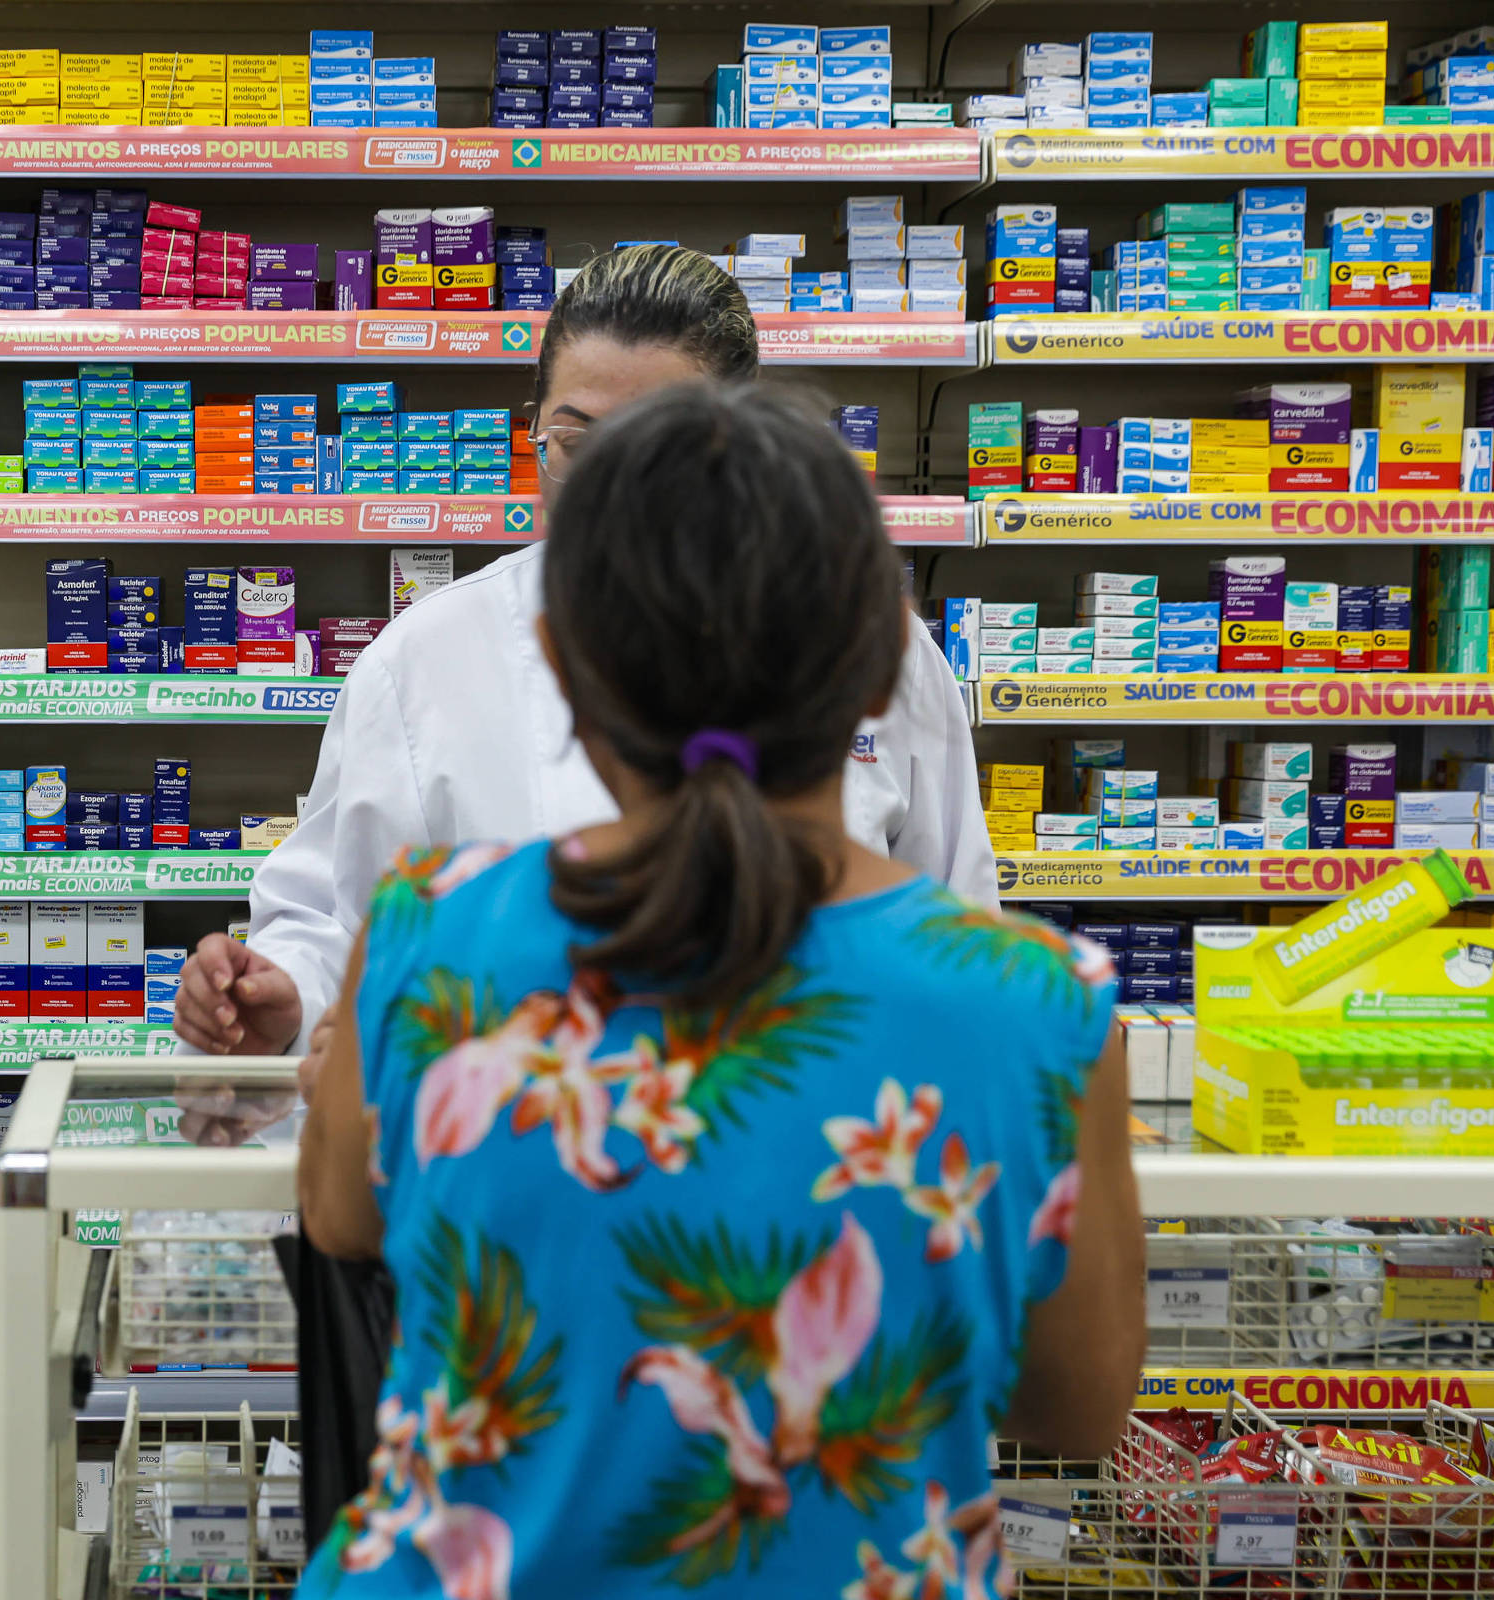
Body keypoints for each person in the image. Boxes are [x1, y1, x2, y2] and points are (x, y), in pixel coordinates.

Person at [293, 383, 1143, 1598]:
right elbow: (1078, 1406)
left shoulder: (433, 931)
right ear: (876, 675)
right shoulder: (1039, 1005)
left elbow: (342, 1218)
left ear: (564, 670)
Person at [176, 244, 994, 1059]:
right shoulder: (426, 660)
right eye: (579, 446)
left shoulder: (868, 646)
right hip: (521, 1139)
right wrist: (284, 990)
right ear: (533, 435)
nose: (615, 495)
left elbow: (959, 929)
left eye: (658, 452)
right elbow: (333, 917)